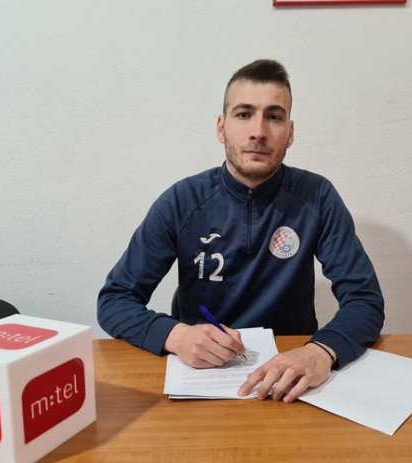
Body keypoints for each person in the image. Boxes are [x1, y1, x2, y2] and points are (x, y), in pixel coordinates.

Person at [98, 59, 384, 403]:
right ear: (221, 128)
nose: (258, 132)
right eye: (244, 114)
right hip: (201, 378)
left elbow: (365, 300)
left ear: (290, 133)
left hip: (291, 381)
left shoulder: (317, 197)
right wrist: (175, 335)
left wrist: (321, 351)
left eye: (274, 117)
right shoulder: (181, 201)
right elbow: (114, 300)